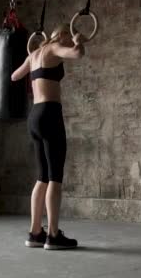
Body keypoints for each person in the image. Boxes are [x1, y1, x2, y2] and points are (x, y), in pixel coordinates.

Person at [11, 24, 87, 250]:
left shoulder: (34, 54)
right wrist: (79, 40)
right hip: (50, 114)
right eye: (67, 37)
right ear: (61, 36)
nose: (67, 41)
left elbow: (15, 76)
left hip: (33, 117)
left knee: (42, 177)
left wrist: (32, 62)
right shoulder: (55, 48)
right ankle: (53, 235)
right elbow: (77, 53)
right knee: (55, 177)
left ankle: (35, 232)